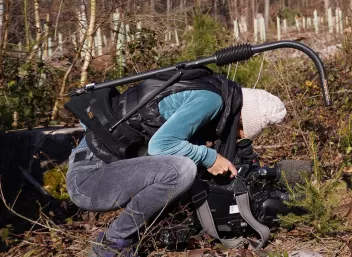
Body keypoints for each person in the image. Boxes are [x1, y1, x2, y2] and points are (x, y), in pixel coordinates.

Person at [66, 74, 287, 257]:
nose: (237, 136)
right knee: (182, 170)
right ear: (240, 118)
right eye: (241, 131)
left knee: (187, 167)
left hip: (103, 170)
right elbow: (160, 146)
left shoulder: (210, 90)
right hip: (89, 179)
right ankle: (112, 241)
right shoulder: (211, 101)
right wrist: (210, 157)